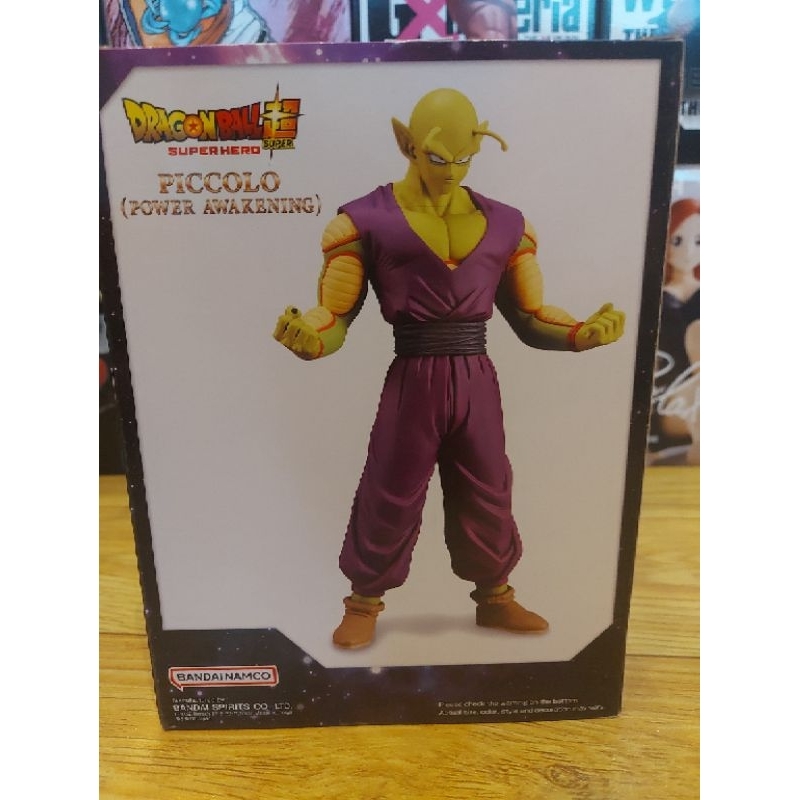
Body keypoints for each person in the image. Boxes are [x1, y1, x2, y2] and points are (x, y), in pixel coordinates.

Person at [274, 88, 625, 649]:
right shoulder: (362, 221)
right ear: (407, 145)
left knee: (488, 485)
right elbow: (335, 314)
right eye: (439, 157)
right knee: (390, 484)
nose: (453, 171)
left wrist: (581, 333)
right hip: (413, 375)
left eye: (466, 158)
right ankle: (364, 600)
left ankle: (496, 597)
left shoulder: (508, 224)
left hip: (476, 376)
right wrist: (310, 338)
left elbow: (532, 315)